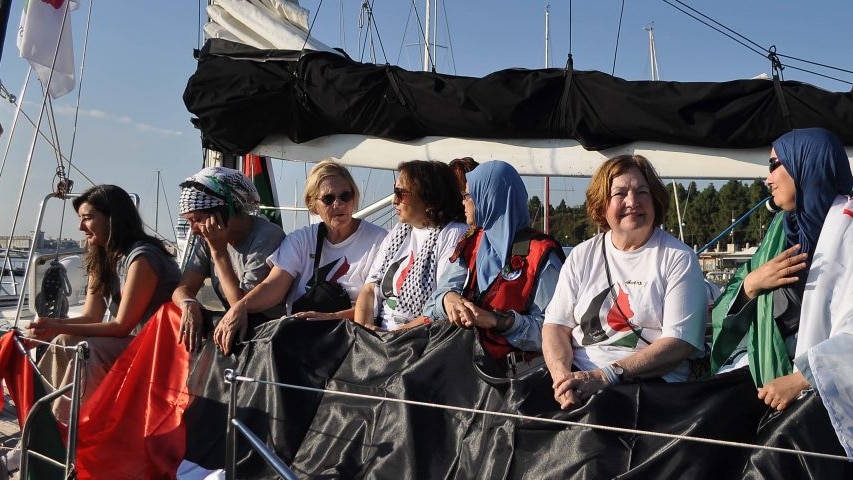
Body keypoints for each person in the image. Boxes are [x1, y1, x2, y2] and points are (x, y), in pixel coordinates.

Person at [710, 128, 853, 472]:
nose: (766, 178)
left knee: (766, 462)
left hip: (826, 389)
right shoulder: (782, 229)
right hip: (768, 381)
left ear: (807, 166)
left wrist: (801, 378)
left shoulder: (848, 227)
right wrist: (750, 285)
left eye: (774, 164)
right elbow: (730, 298)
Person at [542, 154, 707, 411]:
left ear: (655, 200)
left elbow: (678, 344)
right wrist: (561, 379)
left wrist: (605, 376)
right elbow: (555, 326)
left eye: (642, 192)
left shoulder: (678, 258)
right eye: (620, 194)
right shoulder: (582, 255)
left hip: (646, 387)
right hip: (580, 377)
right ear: (602, 205)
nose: (633, 202)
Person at [27, 184, 181, 422]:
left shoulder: (143, 257)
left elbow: (122, 325)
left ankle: (66, 434)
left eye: (87, 218)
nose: (80, 227)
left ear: (113, 219)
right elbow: (91, 316)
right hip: (135, 343)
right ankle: (40, 425)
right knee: (62, 342)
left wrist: (57, 325)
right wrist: (50, 326)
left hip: (160, 347)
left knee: (89, 350)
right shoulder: (103, 256)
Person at [216, 159, 387, 355]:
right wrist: (240, 307)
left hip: (348, 339)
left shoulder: (378, 240)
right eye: (328, 199)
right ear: (313, 204)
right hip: (298, 338)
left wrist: (331, 317)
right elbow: (274, 285)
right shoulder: (301, 239)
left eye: (345, 196)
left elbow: (377, 304)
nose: (338, 204)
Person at [423, 160, 563, 361]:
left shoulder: (541, 256)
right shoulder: (471, 244)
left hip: (508, 374)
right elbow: (432, 304)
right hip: (461, 358)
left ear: (489, 197)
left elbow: (554, 330)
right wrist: (449, 300)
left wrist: (500, 321)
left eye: (468, 195)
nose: (463, 201)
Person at [172, 166, 286, 353]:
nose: (193, 229)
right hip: (233, 326)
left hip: (265, 336)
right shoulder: (205, 237)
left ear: (223, 212)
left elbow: (240, 304)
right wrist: (188, 303)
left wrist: (219, 252)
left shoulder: (266, 237)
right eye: (189, 221)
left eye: (198, 219)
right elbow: (182, 289)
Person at [354, 160, 468, 331]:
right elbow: (370, 288)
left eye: (401, 193)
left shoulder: (453, 234)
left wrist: (392, 336)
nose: (394, 200)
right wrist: (362, 334)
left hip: (418, 341)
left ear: (428, 198)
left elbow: (441, 305)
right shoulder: (399, 231)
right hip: (381, 337)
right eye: (395, 191)